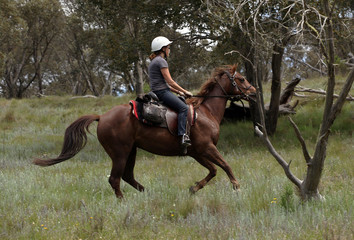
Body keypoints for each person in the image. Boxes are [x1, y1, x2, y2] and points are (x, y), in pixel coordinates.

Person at [148, 36, 193, 148]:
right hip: (162, 93)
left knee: (181, 102)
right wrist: (185, 91)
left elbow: (165, 84)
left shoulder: (154, 61)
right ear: (163, 49)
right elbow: (170, 82)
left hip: (160, 91)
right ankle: (183, 136)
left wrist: (179, 92)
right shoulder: (161, 61)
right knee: (183, 108)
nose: (169, 50)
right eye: (168, 47)